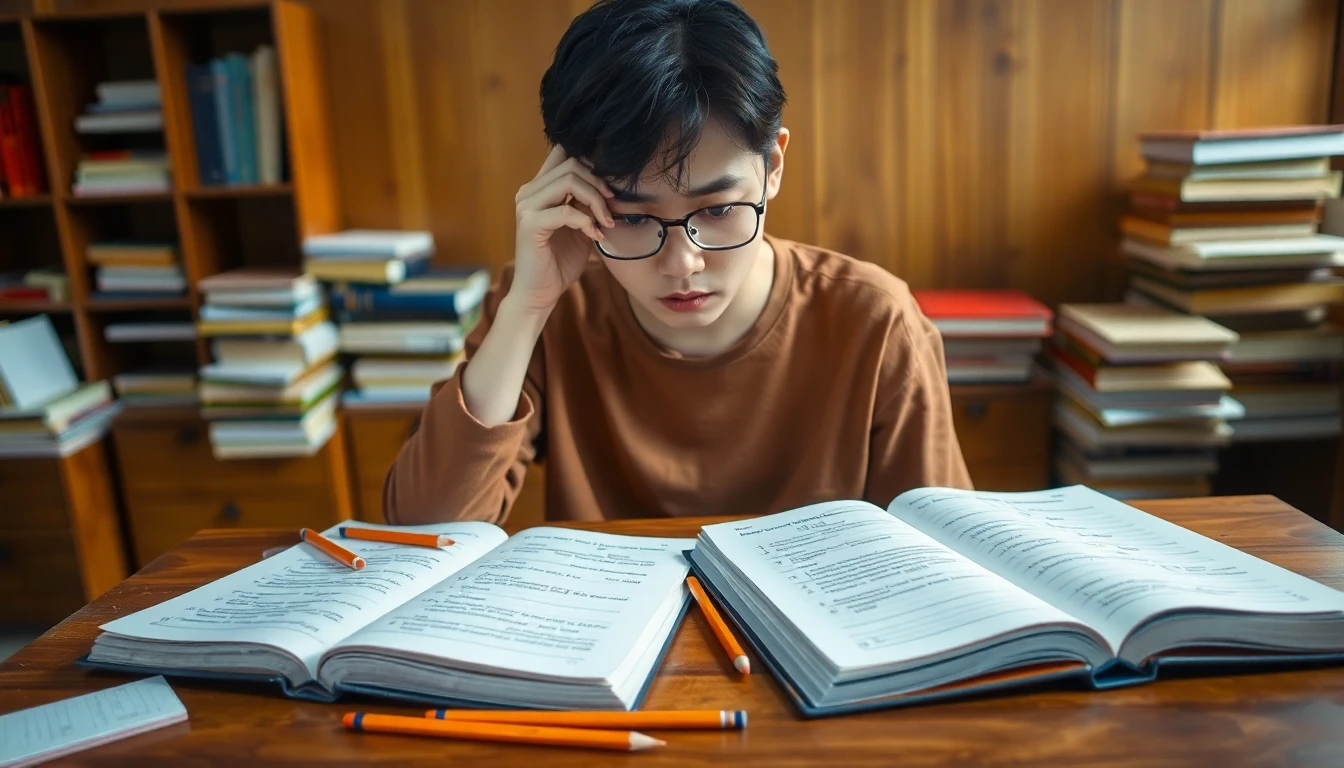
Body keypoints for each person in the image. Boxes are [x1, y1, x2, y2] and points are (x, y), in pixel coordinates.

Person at [384, 0, 971, 525]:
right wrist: (527, 310)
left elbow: (941, 556)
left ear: (773, 166)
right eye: (633, 218)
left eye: (717, 210)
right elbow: (422, 531)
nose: (682, 263)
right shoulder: (550, 307)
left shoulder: (875, 320)